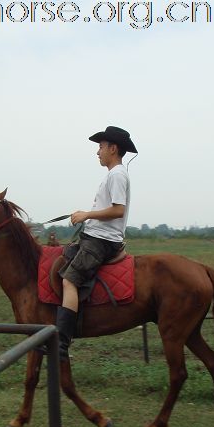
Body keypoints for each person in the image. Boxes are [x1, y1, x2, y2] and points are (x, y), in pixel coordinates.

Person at [56, 125, 137, 360]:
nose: (98, 152)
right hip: (96, 237)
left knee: (69, 282)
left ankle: (61, 344)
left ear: (113, 148)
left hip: (101, 241)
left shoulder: (117, 175)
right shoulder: (113, 174)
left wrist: (86, 215)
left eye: (101, 147)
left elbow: (118, 210)